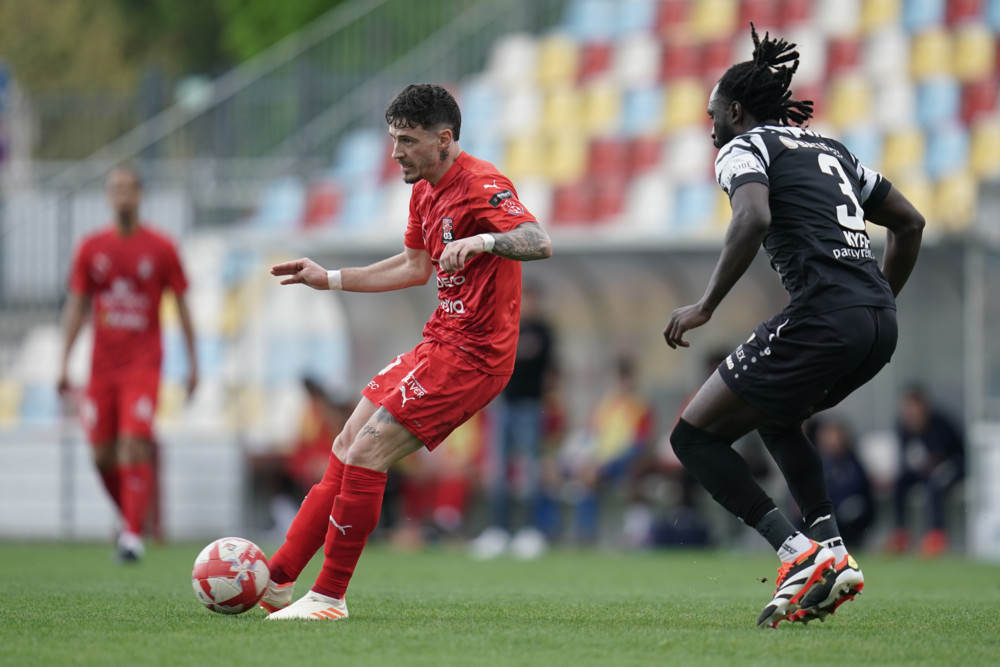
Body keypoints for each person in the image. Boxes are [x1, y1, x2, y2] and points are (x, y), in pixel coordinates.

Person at [663, 25, 924, 628]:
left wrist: (705, 305)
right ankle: (832, 551)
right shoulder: (831, 150)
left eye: (712, 115)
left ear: (734, 110)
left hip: (826, 314)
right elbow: (910, 224)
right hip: (878, 324)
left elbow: (753, 217)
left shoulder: (745, 145)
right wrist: (879, 300)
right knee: (775, 418)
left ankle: (797, 554)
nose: (709, 129)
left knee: (693, 438)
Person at [260, 83, 552, 620]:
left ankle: (328, 598)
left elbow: (538, 240)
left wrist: (485, 241)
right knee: (347, 442)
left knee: (368, 453)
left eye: (408, 141)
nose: (396, 152)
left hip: (476, 357)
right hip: (440, 339)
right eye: (393, 139)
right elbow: (415, 266)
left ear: (444, 140)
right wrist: (331, 279)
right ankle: (277, 579)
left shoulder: (482, 183)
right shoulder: (424, 189)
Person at [58, 164, 198, 562]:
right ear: (107, 196)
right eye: (115, 189)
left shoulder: (161, 247)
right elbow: (77, 306)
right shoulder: (91, 248)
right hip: (101, 367)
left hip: (143, 364)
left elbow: (183, 306)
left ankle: (133, 535)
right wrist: (63, 361)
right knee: (101, 455)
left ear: (140, 195)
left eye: (128, 189)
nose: (122, 196)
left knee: (133, 445)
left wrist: (193, 364)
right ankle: (131, 519)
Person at [468, 281, 557, 560]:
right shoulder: (507, 325)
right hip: (502, 404)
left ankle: (528, 531)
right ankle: (498, 530)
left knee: (528, 470)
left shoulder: (544, 331)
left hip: (530, 407)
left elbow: (545, 367)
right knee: (498, 469)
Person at [885, 384, 965, 557]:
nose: (910, 411)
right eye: (907, 407)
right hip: (923, 470)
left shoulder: (940, 423)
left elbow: (945, 454)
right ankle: (901, 533)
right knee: (900, 483)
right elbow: (907, 457)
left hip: (951, 467)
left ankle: (936, 535)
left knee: (935, 485)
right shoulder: (904, 428)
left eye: (914, 406)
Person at [808, 417, 875, 550]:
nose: (829, 440)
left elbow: (858, 487)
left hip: (846, 513)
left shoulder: (852, 461)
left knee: (851, 508)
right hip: (824, 511)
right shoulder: (818, 461)